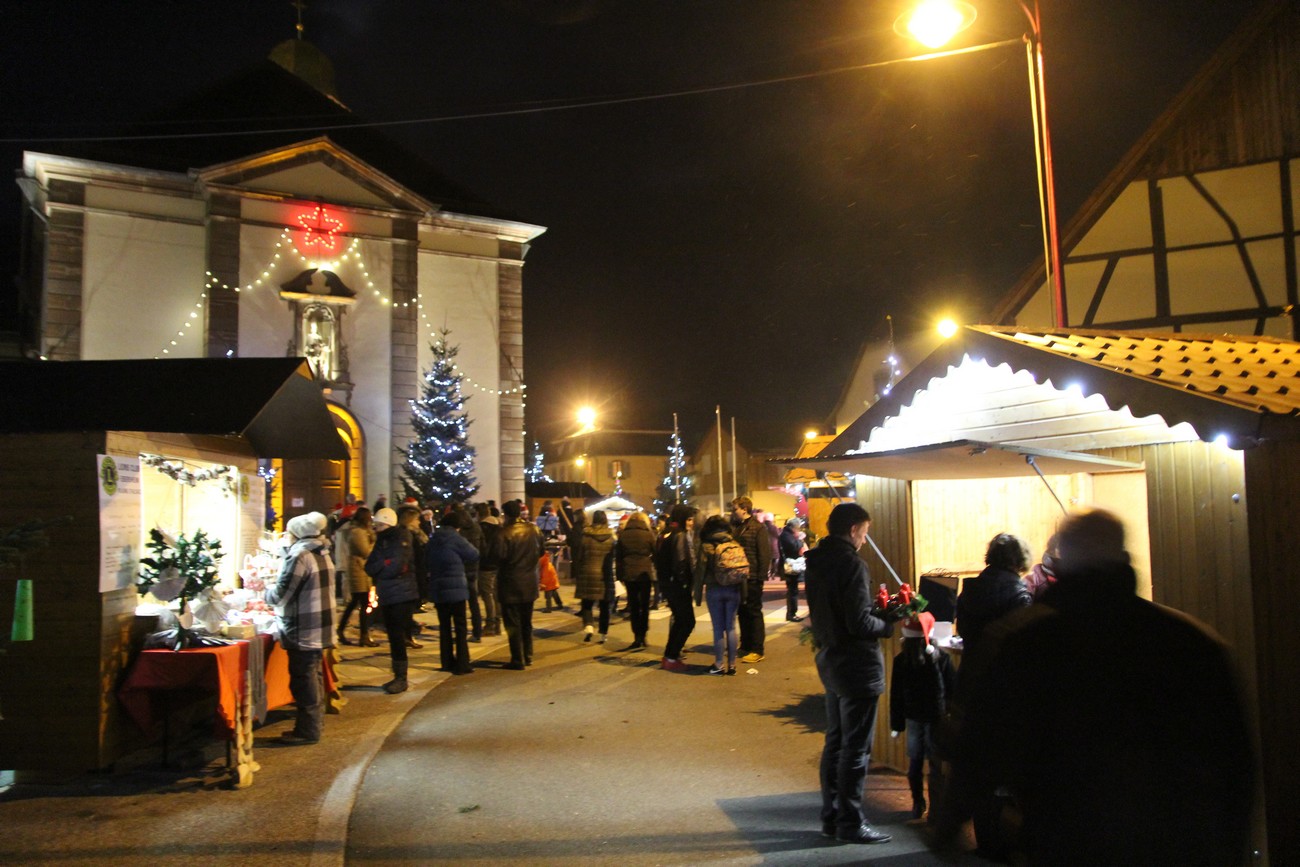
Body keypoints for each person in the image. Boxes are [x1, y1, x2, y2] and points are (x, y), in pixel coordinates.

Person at [938, 509, 1255, 865]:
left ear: (1062, 562)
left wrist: (948, 824)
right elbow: (1234, 763)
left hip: (1068, 839)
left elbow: (984, 743)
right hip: (1174, 843)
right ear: (1122, 557)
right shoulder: (1193, 642)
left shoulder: (1029, 641)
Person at [805, 502, 901, 845]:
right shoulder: (852, 565)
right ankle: (851, 821)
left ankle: (831, 817)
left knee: (836, 742)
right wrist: (887, 623)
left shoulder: (815, 562)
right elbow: (859, 622)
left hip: (830, 659)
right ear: (852, 530)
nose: (864, 539)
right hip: (857, 665)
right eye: (864, 532)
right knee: (856, 749)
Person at [264, 511, 335, 745]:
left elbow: (282, 593)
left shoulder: (300, 556)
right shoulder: (322, 551)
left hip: (303, 626)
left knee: (303, 679)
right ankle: (313, 725)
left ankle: (307, 731)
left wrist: (265, 593)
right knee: (312, 676)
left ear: (296, 534)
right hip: (319, 624)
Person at [889, 611, 955, 821]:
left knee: (915, 763)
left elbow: (896, 695)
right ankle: (937, 809)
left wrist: (896, 725)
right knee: (936, 765)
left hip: (913, 718)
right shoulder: (942, 658)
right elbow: (952, 689)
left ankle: (918, 803)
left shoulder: (901, 661)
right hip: (936, 718)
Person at [365, 507, 420, 694]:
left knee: (397, 636)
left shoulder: (398, 538)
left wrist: (383, 566)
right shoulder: (385, 540)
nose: (375, 528)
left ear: (387, 523)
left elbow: (395, 566)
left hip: (400, 593)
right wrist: (383, 564)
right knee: (393, 635)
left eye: (379, 525)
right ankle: (398, 675)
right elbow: (370, 566)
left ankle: (401, 677)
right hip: (390, 592)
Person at [955, 533, 1033, 655]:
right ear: (1021, 559)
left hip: (971, 667)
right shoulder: (1019, 596)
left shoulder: (970, 589)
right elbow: (1024, 643)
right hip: (1004, 670)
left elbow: (962, 629)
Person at [425, 511, 480, 675]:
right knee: (461, 627)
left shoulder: (433, 538)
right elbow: (474, 554)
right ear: (457, 527)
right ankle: (462, 663)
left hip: (438, 587)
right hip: (456, 589)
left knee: (445, 627)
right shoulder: (456, 539)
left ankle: (447, 662)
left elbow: (426, 558)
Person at [692, 514, 743, 675]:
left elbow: (700, 571)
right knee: (731, 627)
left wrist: (697, 595)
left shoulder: (706, 546)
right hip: (733, 589)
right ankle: (733, 665)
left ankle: (719, 664)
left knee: (717, 628)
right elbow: (741, 569)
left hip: (714, 589)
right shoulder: (734, 543)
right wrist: (744, 592)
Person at [496, 499, 543, 670]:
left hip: (510, 583)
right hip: (529, 581)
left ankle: (517, 658)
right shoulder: (534, 529)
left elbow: (497, 557)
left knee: (512, 623)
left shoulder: (503, 533)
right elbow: (541, 551)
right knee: (526, 621)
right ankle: (528, 655)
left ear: (506, 514)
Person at [655, 504, 697, 672]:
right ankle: (671, 657)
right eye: (689, 519)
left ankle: (669, 656)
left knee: (680, 620)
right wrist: (686, 581)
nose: (691, 523)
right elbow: (680, 561)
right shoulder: (680, 535)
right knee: (687, 621)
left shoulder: (666, 534)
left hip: (667, 583)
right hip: (678, 585)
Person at [730, 497, 772, 664]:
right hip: (740, 576)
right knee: (742, 611)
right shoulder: (738, 527)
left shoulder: (757, 528)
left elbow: (764, 553)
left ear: (744, 509)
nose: (734, 512)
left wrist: (760, 576)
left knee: (753, 612)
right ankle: (745, 645)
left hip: (753, 576)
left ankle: (757, 649)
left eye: (735, 509)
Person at [336, 507, 379, 647]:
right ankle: (363, 636)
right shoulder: (358, 533)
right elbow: (366, 552)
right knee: (362, 603)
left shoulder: (360, 531)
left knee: (355, 603)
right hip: (358, 571)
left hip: (361, 570)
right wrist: (373, 541)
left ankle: (342, 630)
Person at [616, 511, 657, 651]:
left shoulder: (624, 534)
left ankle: (636, 637)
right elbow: (656, 552)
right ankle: (643, 634)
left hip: (629, 572)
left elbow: (619, 556)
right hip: (645, 573)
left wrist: (619, 575)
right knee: (644, 605)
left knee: (633, 605)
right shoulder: (648, 533)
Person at [574, 510, 615, 644]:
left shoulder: (586, 536)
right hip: (605, 574)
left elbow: (579, 556)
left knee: (587, 603)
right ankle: (603, 633)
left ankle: (589, 626)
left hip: (588, 572)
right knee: (605, 606)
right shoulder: (611, 537)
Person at [475, 502, 502, 636]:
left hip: (486, 565)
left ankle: (490, 624)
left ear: (479, 514)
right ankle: (497, 624)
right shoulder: (500, 526)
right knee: (496, 594)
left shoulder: (481, 528)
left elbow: (480, 547)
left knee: (487, 595)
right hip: (499, 564)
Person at [779, 516, 808, 622]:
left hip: (792, 565)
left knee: (793, 590)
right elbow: (794, 547)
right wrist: (800, 540)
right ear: (794, 527)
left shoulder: (787, 534)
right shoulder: (786, 535)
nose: (799, 529)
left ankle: (792, 613)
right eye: (798, 527)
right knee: (792, 590)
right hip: (790, 566)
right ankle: (791, 613)